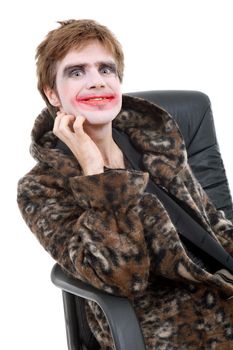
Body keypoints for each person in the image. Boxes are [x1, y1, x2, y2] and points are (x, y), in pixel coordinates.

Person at [17, 19, 233, 349]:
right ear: (52, 94)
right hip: (163, 322)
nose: (96, 82)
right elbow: (121, 278)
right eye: (76, 72)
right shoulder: (41, 188)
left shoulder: (156, 144)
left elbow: (212, 223)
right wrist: (95, 175)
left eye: (106, 69)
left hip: (218, 286)